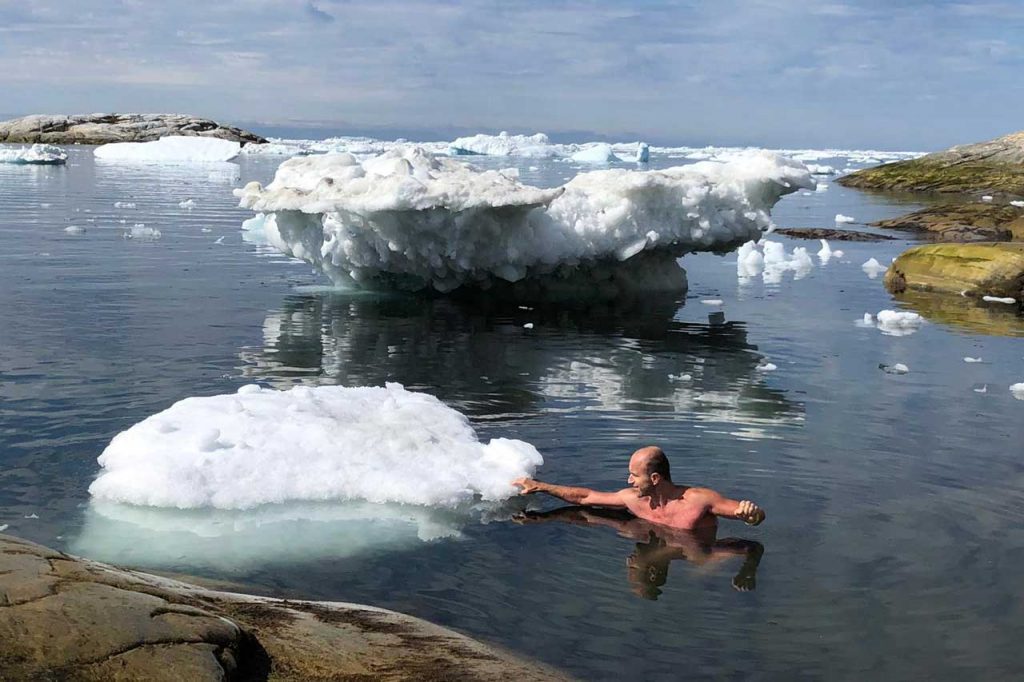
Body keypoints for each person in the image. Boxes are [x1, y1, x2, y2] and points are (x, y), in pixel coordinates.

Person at [513, 445, 766, 531]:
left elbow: (750, 514)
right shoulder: (633, 499)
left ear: (655, 478)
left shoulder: (699, 499)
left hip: (701, 554)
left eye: (634, 475)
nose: (629, 481)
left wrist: (752, 515)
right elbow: (586, 496)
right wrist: (540, 486)